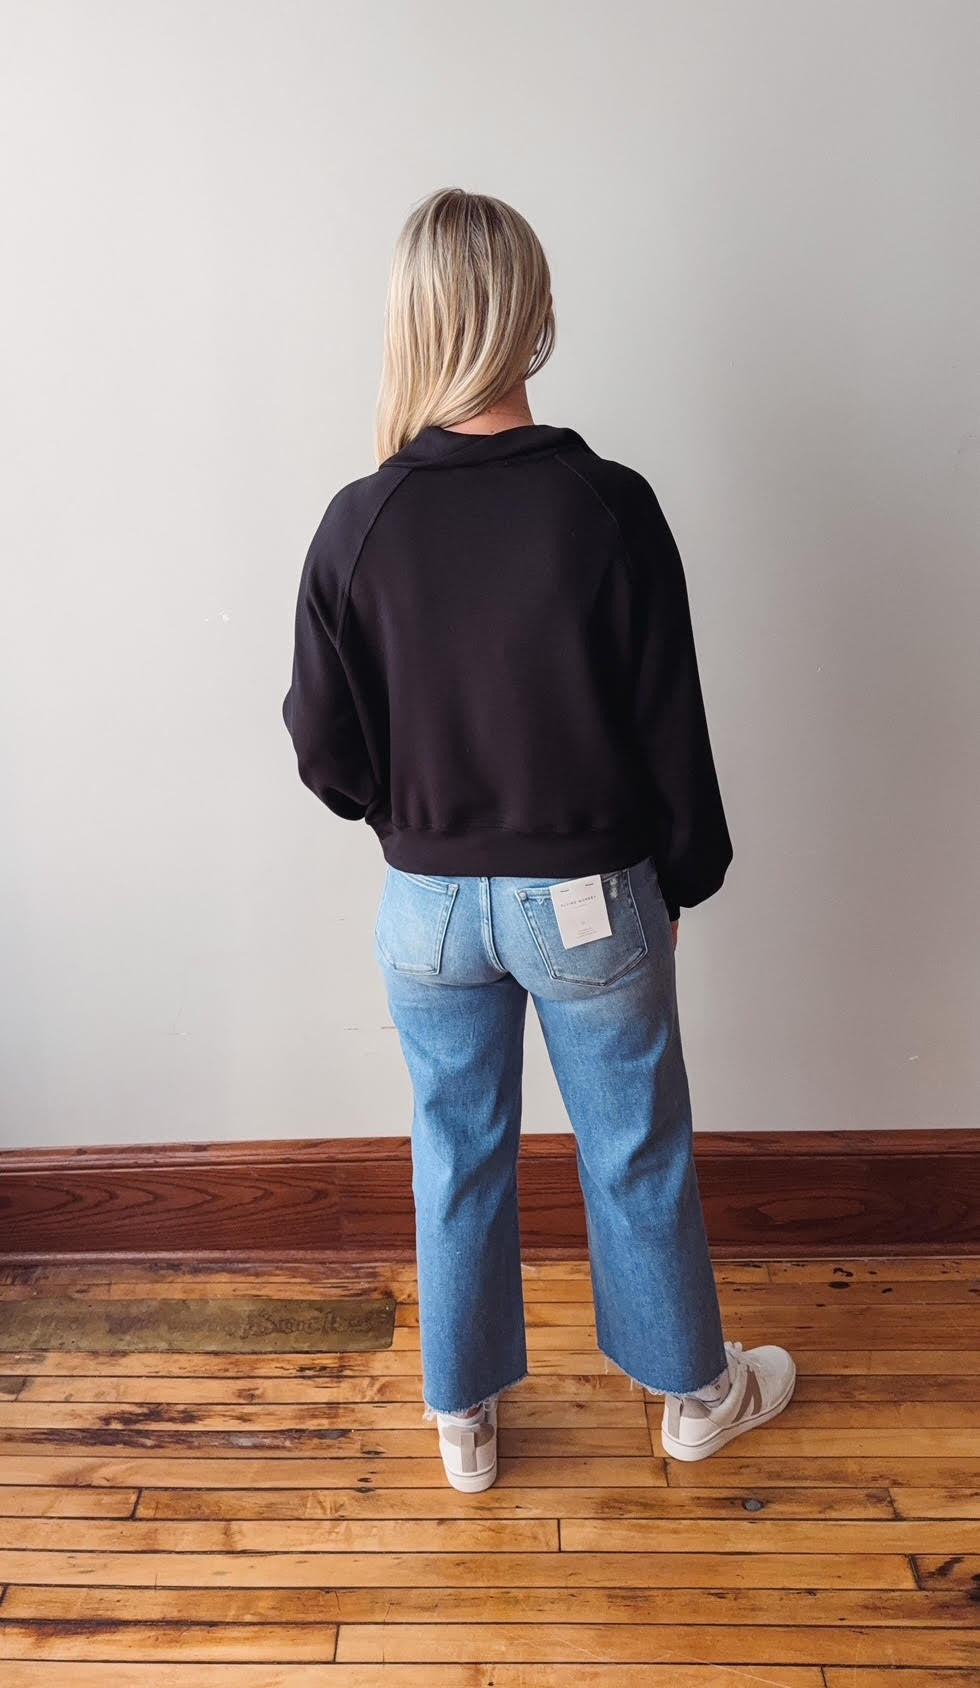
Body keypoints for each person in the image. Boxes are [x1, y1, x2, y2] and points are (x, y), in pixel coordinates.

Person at [282, 186, 796, 1493]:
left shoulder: (360, 522)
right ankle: (694, 1395)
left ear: (414, 325)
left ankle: (463, 1420)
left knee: (454, 1149)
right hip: (588, 896)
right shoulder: (607, 506)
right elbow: (667, 721)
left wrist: (414, 822)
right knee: (634, 1148)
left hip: (429, 908)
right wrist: (685, 875)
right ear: (535, 317)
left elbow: (323, 747)